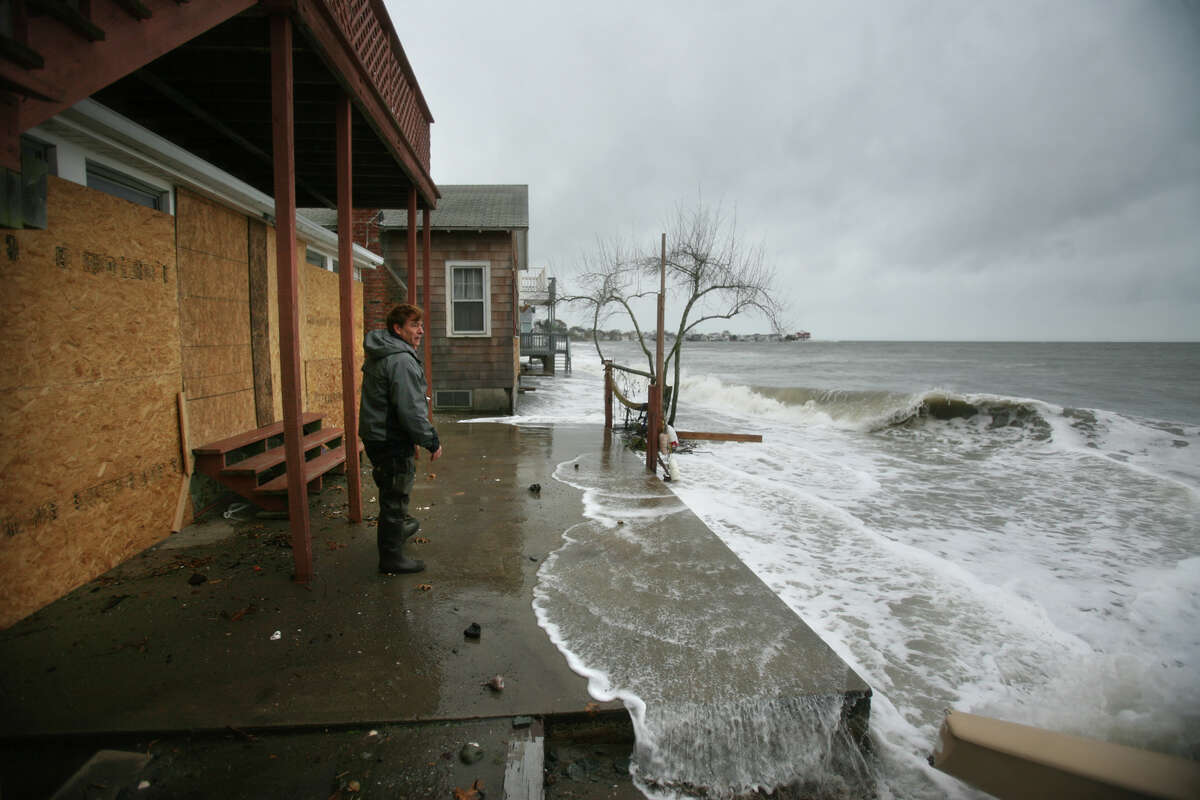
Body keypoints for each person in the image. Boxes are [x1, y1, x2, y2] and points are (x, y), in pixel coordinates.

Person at [359, 303, 443, 574]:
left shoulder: (385, 352)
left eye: (420, 325)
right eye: (413, 326)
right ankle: (391, 558)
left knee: (389, 488)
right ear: (397, 329)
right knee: (395, 496)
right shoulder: (401, 359)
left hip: (377, 436)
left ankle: (397, 531)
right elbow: (410, 409)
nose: (420, 331)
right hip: (390, 439)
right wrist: (431, 440)